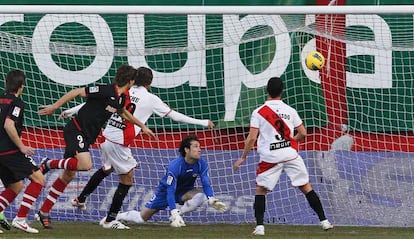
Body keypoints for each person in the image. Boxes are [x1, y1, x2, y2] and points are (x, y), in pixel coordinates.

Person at [64, 67, 215, 229]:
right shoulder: (151, 99)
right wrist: (202, 122)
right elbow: (174, 115)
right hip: (119, 143)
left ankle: (80, 199)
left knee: (107, 169)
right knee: (127, 180)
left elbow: (97, 101)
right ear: (150, 83)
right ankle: (110, 220)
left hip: (106, 136)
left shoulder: (124, 91)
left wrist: (71, 110)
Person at [36, 65, 155, 229]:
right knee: (86, 165)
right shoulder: (106, 90)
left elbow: (123, 113)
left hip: (88, 136)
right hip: (76, 129)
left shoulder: (121, 98)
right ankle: (48, 163)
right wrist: (55, 106)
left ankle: (44, 211)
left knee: (68, 175)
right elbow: (77, 92)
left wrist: (142, 126)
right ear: (130, 81)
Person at [233, 77, 333, 236]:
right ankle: (324, 221)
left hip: (270, 157)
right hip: (290, 155)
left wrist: (243, 157)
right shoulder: (290, 110)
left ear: (266, 90)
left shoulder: (259, 112)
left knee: (260, 190)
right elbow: (303, 133)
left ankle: (259, 227)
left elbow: (252, 138)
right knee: (306, 187)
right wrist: (292, 140)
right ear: (282, 91)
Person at [114, 135, 227, 227]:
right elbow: (170, 190)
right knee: (141, 218)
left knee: (201, 196)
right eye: (196, 146)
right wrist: (173, 210)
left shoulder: (202, 163)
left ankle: (177, 215)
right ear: (186, 150)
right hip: (165, 192)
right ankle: (118, 216)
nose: (199, 149)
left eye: (199, 147)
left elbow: (205, 182)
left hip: (185, 191)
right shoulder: (175, 166)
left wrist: (211, 199)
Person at [0, 70, 46, 233]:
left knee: (15, 186)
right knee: (39, 178)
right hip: (10, 151)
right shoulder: (17, 102)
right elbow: (8, 124)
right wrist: (21, 146)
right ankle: (20, 219)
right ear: (21, 85)